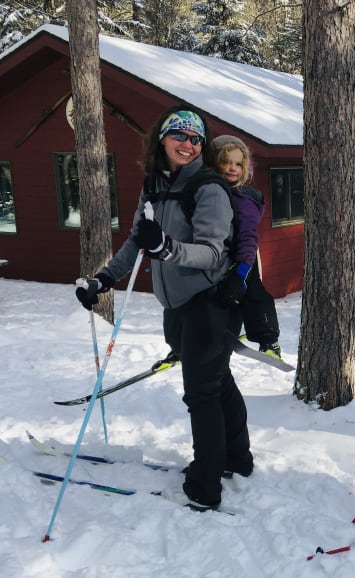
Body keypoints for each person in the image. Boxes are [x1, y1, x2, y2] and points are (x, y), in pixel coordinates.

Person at [75, 105, 253, 511]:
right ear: (162, 139)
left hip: (209, 304)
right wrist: (102, 280)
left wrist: (166, 248)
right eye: (180, 136)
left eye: (196, 139)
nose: (188, 144)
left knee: (202, 394)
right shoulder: (154, 184)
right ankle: (237, 459)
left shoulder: (209, 188)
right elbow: (139, 239)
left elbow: (212, 253)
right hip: (176, 307)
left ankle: (205, 487)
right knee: (217, 381)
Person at [212, 135, 282, 359]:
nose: (232, 168)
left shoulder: (244, 198)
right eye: (225, 162)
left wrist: (242, 270)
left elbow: (248, 236)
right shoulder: (210, 192)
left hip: (241, 258)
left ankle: (268, 339)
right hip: (214, 258)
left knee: (253, 294)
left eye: (238, 164)